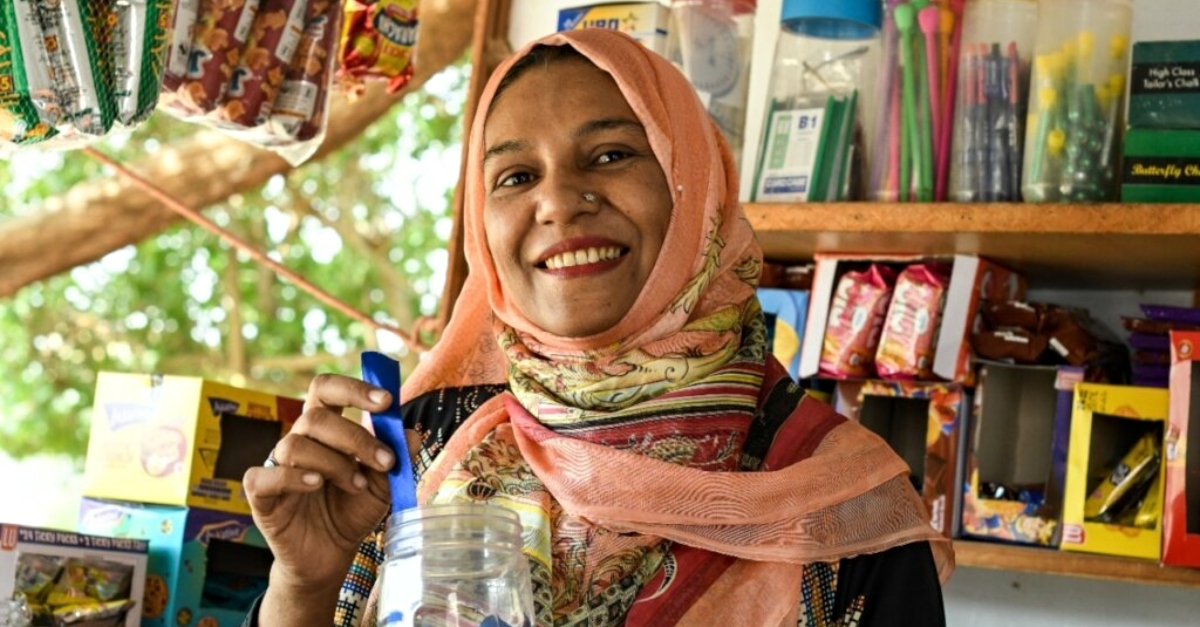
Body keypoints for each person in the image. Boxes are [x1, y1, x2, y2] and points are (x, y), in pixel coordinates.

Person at [242, 28, 954, 627]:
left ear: (694, 184)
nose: (556, 201)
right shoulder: (414, 453)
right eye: (515, 176)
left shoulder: (849, 513)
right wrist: (302, 588)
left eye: (611, 155)